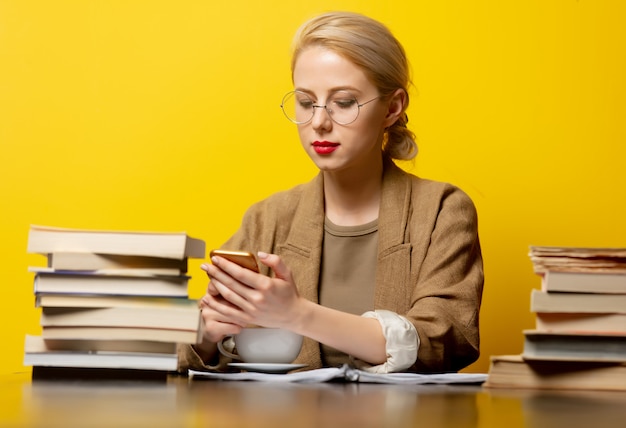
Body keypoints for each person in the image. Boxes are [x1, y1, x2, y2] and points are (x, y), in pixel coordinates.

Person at [179, 11, 483, 374]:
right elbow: (187, 346)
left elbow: (446, 337)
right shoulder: (267, 218)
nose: (319, 121)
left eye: (343, 102)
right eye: (307, 102)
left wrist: (297, 314)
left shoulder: (442, 211)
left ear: (393, 107)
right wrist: (208, 333)